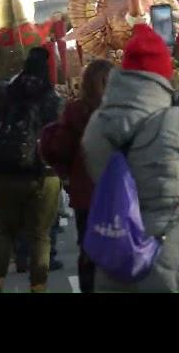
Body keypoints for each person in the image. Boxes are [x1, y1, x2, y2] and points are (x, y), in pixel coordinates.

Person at [82, 23, 179, 293]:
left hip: (116, 261)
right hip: (174, 264)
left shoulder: (97, 124)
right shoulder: (177, 121)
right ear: (163, 76)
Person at [0, 47, 63, 293]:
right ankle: (37, 285)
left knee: (5, 230)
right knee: (40, 234)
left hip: (7, 171)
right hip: (44, 173)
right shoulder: (53, 99)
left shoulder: (6, 93)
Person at [40, 58, 114, 293]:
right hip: (122, 191)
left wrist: (68, 175)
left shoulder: (76, 110)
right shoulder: (124, 109)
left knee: (89, 251)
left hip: (87, 193)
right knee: (124, 245)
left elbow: (60, 149)